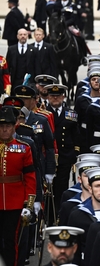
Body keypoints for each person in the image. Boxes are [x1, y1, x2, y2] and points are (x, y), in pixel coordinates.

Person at [0, 107, 37, 266]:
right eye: (1, 127)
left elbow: (30, 178)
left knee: (11, 241)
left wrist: (29, 204)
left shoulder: (24, 148)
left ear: (14, 126)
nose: (4, 129)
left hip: (15, 202)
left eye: (7, 126)